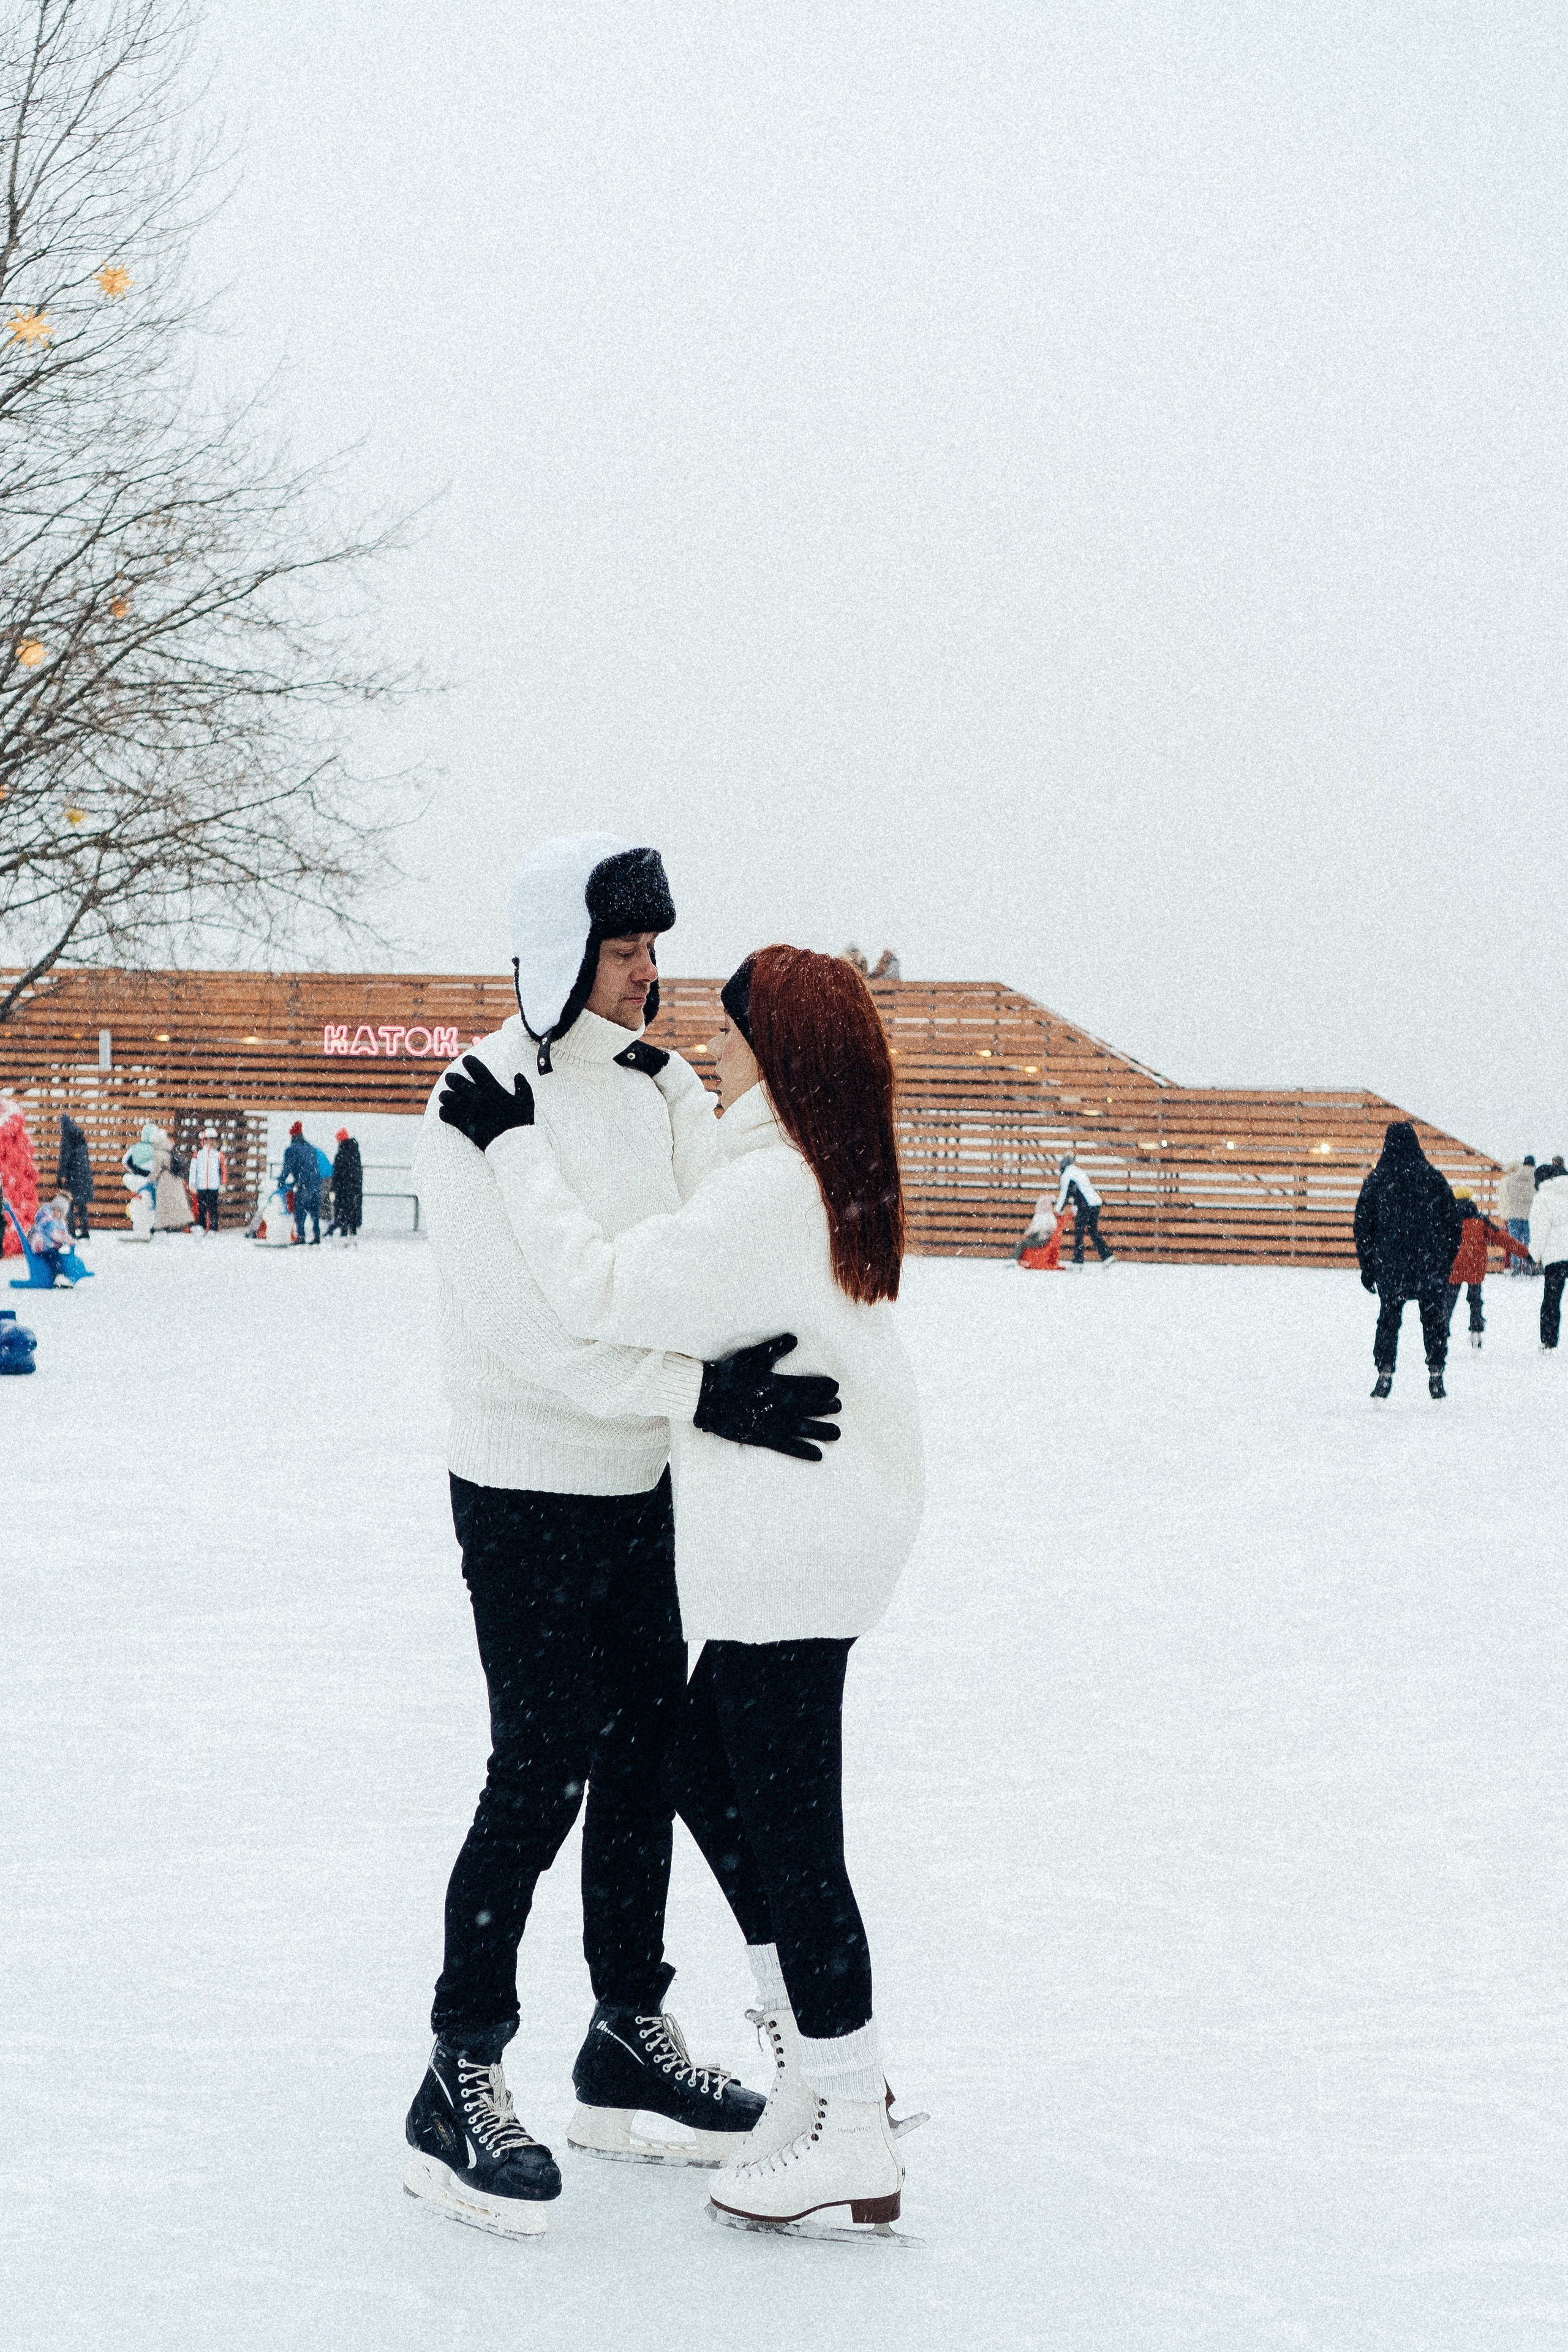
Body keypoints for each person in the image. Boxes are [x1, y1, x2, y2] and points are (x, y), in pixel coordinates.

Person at [443, 943, 925, 2239]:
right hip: (817, 1541)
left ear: (778, 1054)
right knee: (707, 1773)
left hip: (790, 1555)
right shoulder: (797, 1159)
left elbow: (600, 1289)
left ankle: (850, 2109)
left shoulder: (768, 1193)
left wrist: (511, 1149)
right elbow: (689, 1163)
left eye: (730, 1030)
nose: (705, 1043)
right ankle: (823, 2084)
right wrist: (647, 1080)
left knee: (790, 1836)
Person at [1354, 1121, 1463, 1400]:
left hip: (1391, 1267)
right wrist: (1445, 1260)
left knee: (1389, 1319)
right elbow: (1453, 1223)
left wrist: (1368, 1266)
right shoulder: (1433, 1178)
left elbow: (1363, 1226)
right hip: (1428, 1266)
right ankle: (1436, 1373)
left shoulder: (1377, 1180)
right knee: (1433, 1320)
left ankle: (1384, 1373)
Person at [1446, 1195, 1531, 1347]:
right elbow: (1502, 1238)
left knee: (1448, 1301)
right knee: (1475, 1299)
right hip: (1475, 1265)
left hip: (1455, 1265)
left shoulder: (1448, 1219)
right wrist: (1524, 1253)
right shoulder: (1481, 1220)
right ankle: (1476, 1330)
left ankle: (1442, 1329)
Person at [1528, 1161, 1568, 1352]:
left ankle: (1549, 1341)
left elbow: (1540, 1229)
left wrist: (1534, 1255)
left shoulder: (1543, 1198)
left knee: (1552, 1300)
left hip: (1556, 1256)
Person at [1056, 1147, 1114, 1264]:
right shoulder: (1078, 1171)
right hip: (1095, 1203)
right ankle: (1107, 1255)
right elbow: (1080, 1191)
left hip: (1086, 1205)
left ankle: (1078, 1260)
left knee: (1079, 1233)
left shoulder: (1067, 1174)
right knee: (1093, 1232)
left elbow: (1064, 1194)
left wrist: (1058, 1209)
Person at [279, 1121, 322, 1245]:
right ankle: (317, 1236)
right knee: (315, 1212)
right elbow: (312, 1166)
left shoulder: (292, 1150)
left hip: (305, 1184)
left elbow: (288, 1167)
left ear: (292, 1136)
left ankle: (301, 1237)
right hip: (316, 1183)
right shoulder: (311, 1148)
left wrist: (282, 1180)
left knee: (300, 1211)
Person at [57, 1114, 94, 1240]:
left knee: (71, 1205)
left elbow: (64, 1161)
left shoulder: (67, 1140)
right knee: (82, 1205)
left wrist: (60, 1176)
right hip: (84, 1176)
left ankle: (71, 1231)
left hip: (72, 1177)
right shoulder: (80, 1138)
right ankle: (85, 1231)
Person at [1498, 1157, 1537, 1273]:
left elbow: (1508, 1193)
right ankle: (1528, 1266)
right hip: (1530, 1214)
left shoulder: (1512, 1178)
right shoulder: (1536, 1178)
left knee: (1515, 1241)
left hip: (1514, 1214)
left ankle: (1515, 1266)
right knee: (1529, 1241)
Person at [28, 1194, 77, 1287]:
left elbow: (64, 1233)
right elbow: (54, 1234)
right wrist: (66, 1241)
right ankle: (58, 1276)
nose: (57, 1213)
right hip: (40, 1244)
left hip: (48, 1245)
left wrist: (70, 1239)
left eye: (60, 1212)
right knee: (55, 1257)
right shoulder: (47, 1218)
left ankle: (61, 1275)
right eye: (56, 1210)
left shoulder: (59, 1221)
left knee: (57, 1255)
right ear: (52, 1207)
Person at [190, 1126, 227, 1234]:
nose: (209, 1142)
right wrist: (192, 1183)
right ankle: (201, 1226)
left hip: (214, 1185)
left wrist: (223, 1183)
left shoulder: (219, 1154)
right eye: (207, 1139)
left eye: (212, 1139)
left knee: (213, 1208)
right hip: (201, 1185)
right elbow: (193, 1169)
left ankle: (213, 1228)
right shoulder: (198, 1153)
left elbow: (223, 1170)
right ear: (204, 1140)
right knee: (201, 1208)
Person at [330, 1127, 363, 1238]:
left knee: (343, 1209)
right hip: (355, 1187)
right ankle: (353, 1231)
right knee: (353, 1208)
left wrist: (334, 1188)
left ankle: (344, 1232)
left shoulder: (341, 1154)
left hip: (343, 1188)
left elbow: (337, 1174)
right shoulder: (355, 1152)